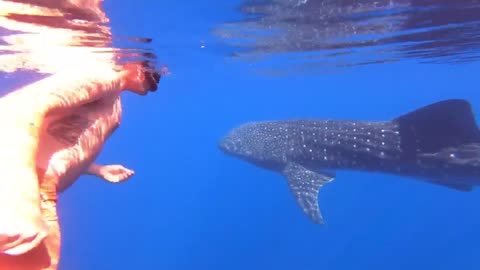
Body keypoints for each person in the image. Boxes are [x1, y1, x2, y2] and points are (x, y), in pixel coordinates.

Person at [0, 61, 161, 270]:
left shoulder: (115, 107)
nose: (155, 78)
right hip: (18, 186)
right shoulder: (102, 77)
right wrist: (20, 199)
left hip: (37, 187)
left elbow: (61, 145)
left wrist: (95, 169)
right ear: (134, 63)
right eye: (151, 70)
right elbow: (16, 112)